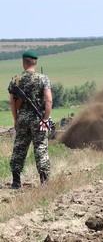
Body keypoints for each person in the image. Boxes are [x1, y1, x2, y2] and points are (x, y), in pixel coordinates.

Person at [7, 50, 52, 189]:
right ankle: (44, 182)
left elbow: (13, 104)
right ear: (35, 62)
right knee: (40, 149)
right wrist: (45, 119)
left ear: (23, 62)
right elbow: (49, 101)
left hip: (23, 119)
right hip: (38, 118)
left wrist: (16, 120)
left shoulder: (16, 80)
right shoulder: (43, 79)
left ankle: (15, 181)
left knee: (19, 147)